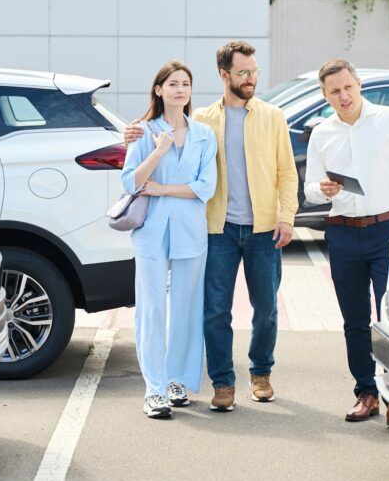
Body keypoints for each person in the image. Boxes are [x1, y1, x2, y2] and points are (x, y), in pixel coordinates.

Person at [125, 40, 298, 412]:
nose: (251, 78)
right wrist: (134, 137)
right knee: (214, 311)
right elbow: (147, 151)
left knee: (265, 307)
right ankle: (220, 383)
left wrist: (287, 216)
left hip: (262, 227)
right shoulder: (204, 119)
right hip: (217, 230)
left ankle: (258, 373)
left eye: (254, 72)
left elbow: (286, 172)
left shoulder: (270, 117)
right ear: (224, 75)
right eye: (243, 73)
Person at [303, 59, 389, 427]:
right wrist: (321, 189)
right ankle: (366, 393)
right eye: (334, 91)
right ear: (324, 95)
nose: (343, 96)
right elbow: (311, 190)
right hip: (342, 232)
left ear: (358, 84)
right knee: (354, 321)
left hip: (386, 230)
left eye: (347, 87)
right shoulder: (322, 133)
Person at [121, 60, 218, 419]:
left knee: (187, 306)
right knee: (151, 308)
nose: (180, 89)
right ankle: (154, 388)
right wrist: (158, 151)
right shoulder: (143, 132)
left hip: (191, 230)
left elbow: (205, 187)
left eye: (186, 84)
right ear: (159, 90)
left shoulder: (204, 135)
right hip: (150, 230)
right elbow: (130, 182)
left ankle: (178, 380)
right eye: (173, 83)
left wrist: (162, 187)